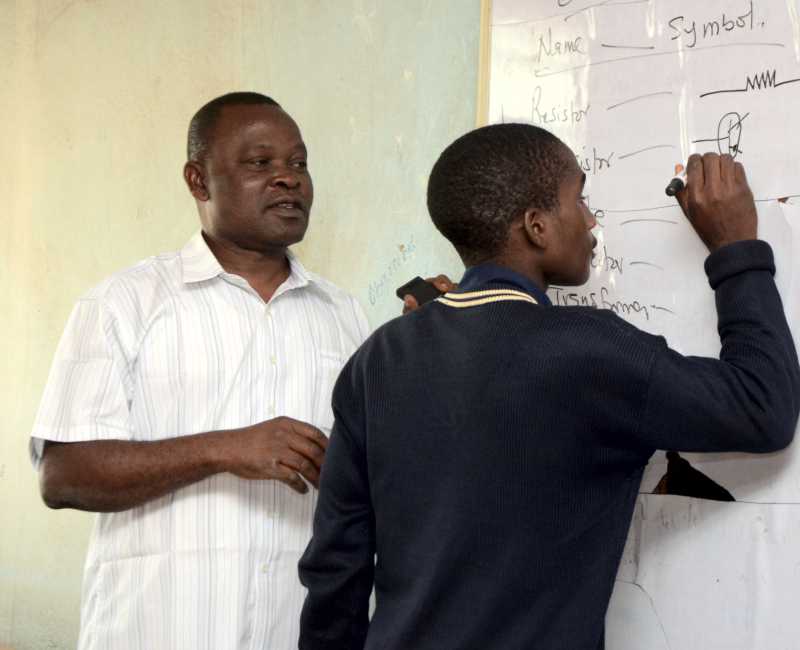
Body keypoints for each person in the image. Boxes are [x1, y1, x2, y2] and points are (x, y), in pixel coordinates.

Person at [297, 124, 800, 649]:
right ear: (537, 226)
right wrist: (737, 247)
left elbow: (336, 569)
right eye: (579, 199)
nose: (591, 220)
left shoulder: (377, 357)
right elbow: (762, 407)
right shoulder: (591, 351)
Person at [32, 92, 376, 649]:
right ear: (198, 181)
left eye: (299, 163)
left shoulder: (346, 314)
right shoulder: (124, 304)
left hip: (297, 632)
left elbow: (369, 479)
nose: (288, 179)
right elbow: (63, 474)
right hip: (158, 631)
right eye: (260, 163)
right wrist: (223, 449)